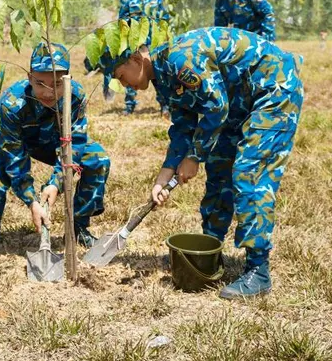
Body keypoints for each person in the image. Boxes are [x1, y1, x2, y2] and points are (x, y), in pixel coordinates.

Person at [88, 26, 303, 299]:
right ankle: (209, 251)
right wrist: (163, 176)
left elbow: (216, 107)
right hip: (239, 98)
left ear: (136, 59)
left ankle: (258, 271)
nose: (124, 85)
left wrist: (194, 156)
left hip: (274, 89)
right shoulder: (162, 77)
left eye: (121, 77)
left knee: (249, 172)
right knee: (219, 166)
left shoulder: (179, 60)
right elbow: (183, 126)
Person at [0, 41, 110, 261]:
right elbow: (13, 156)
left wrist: (55, 183)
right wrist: (32, 201)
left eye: (57, 83)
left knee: (97, 159)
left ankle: (79, 226)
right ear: (29, 78)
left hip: (50, 139)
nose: (48, 92)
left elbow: (74, 144)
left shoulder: (75, 97)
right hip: (7, 137)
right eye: (40, 83)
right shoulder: (12, 102)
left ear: (68, 79)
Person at [117, 0, 171, 115]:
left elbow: (164, 18)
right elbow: (121, 22)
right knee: (132, 74)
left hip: (154, 44)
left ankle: (165, 105)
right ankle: (129, 106)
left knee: (158, 74)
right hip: (135, 45)